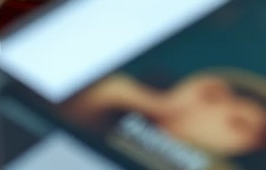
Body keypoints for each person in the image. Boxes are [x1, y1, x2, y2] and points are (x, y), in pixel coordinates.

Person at [68, 70, 266, 159]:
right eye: (214, 98)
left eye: (238, 124)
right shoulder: (121, 118)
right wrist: (160, 104)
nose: (216, 111)